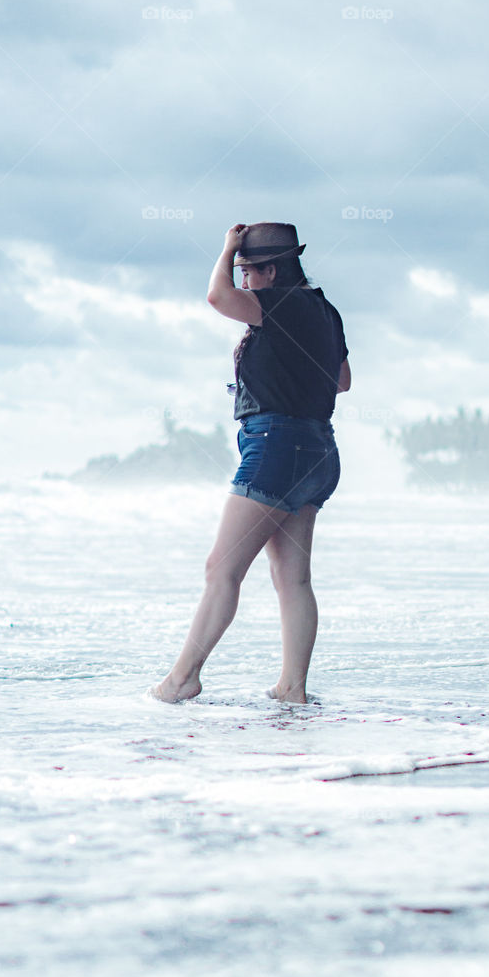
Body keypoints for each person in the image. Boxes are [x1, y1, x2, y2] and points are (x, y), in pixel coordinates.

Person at [152, 221, 351, 704]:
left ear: (272, 269)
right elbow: (342, 380)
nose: (243, 281)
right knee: (293, 578)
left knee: (221, 569)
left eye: (248, 271)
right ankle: (292, 688)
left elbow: (217, 298)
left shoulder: (287, 302)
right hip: (318, 450)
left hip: (278, 445)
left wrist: (224, 249)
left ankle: (182, 679)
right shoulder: (323, 310)